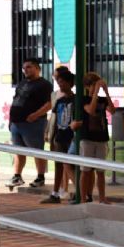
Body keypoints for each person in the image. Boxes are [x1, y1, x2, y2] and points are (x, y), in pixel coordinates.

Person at [6, 57, 53, 188]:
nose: (25, 70)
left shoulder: (44, 85)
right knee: (18, 151)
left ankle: (40, 177)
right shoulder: (22, 83)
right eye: (24, 67)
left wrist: (35, 115)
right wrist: (11, 121)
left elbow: (50, 103)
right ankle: (17, 176)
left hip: (33, 124)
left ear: (37, 68)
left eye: (29, 67)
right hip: (16, 123)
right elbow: (16, 100)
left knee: (37, 151)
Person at [41, 70, 81, 203]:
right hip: (59, 136)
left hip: (72, 137)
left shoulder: (77, 100)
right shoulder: (59, 100)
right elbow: (53, 119)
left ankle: (79, 191)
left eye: (63, 81)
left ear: (70, 83)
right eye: (59, 82)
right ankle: (55, 193)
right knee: (59, 165)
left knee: (69, 164)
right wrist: (49, 133)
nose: (60, 84)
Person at [79, 72, 115, 204]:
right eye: (94, 85)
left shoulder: (102, 100)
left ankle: (102, 198)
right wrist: (94, 94)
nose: (97, 87)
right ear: (88, 86)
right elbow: (91, 110)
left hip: (102, 138)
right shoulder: (83, 99)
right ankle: (83, 198)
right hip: (88, 138)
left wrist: (106, 92)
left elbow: (113, 110)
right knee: (86, 170)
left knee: (100, 171)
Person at [44, 65, 71, 198]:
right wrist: (48, 131)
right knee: (58, 161)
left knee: (67, 162)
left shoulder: (72, 97)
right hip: (55, 131)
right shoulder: (54, 95)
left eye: (57, 76)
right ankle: (58, 188)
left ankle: (65, 188)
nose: (55, 78)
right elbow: (52, 115)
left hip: (67, 132)